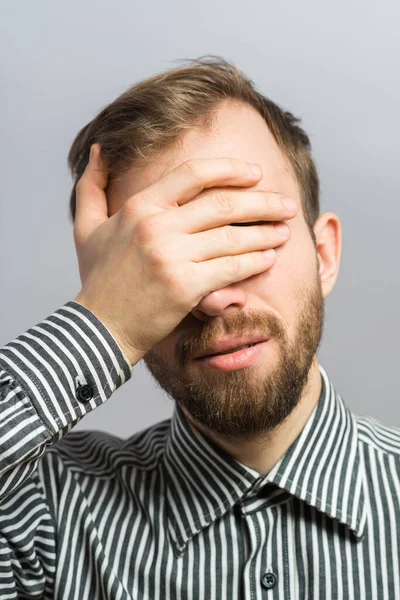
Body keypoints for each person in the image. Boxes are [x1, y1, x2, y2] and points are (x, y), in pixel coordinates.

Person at [0, 55, 399, 600]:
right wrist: (103, 322)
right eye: (159, 260)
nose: (214, 298)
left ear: (324, 254)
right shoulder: (48, 512)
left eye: (248, 233)